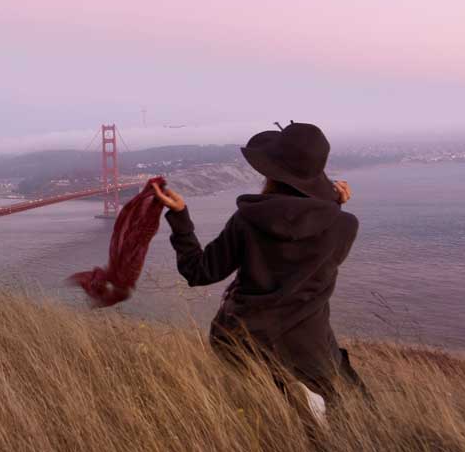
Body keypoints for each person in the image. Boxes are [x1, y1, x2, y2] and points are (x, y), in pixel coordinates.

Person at [152, 122, 366, 410]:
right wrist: (333, 203)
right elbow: (314, 235)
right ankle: (305, 399)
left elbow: (199, 272)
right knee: (349, 409)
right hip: (308, 346)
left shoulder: (248, 219)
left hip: (243, 339)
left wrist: (180, 218)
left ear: (271, 172)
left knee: (259, 410)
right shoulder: (344, 226)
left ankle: (290, 395)